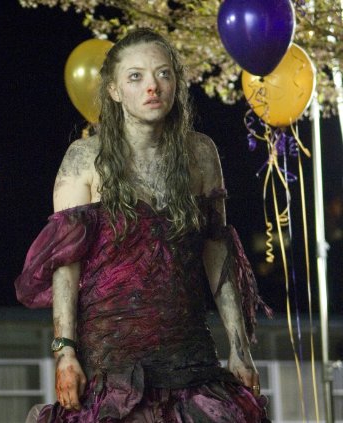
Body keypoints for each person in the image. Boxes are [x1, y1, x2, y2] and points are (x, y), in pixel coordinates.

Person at [15, 28, 271, 422]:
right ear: (114, 90)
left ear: (175, 84)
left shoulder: (201, 153)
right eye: (135, 77)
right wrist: (65, 352)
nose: (152, 86)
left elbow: (217, 253)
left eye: (163, 74)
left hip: (190, 359)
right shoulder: (84, 159)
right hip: (112, 364)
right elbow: (65, 267)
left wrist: (240, 349)